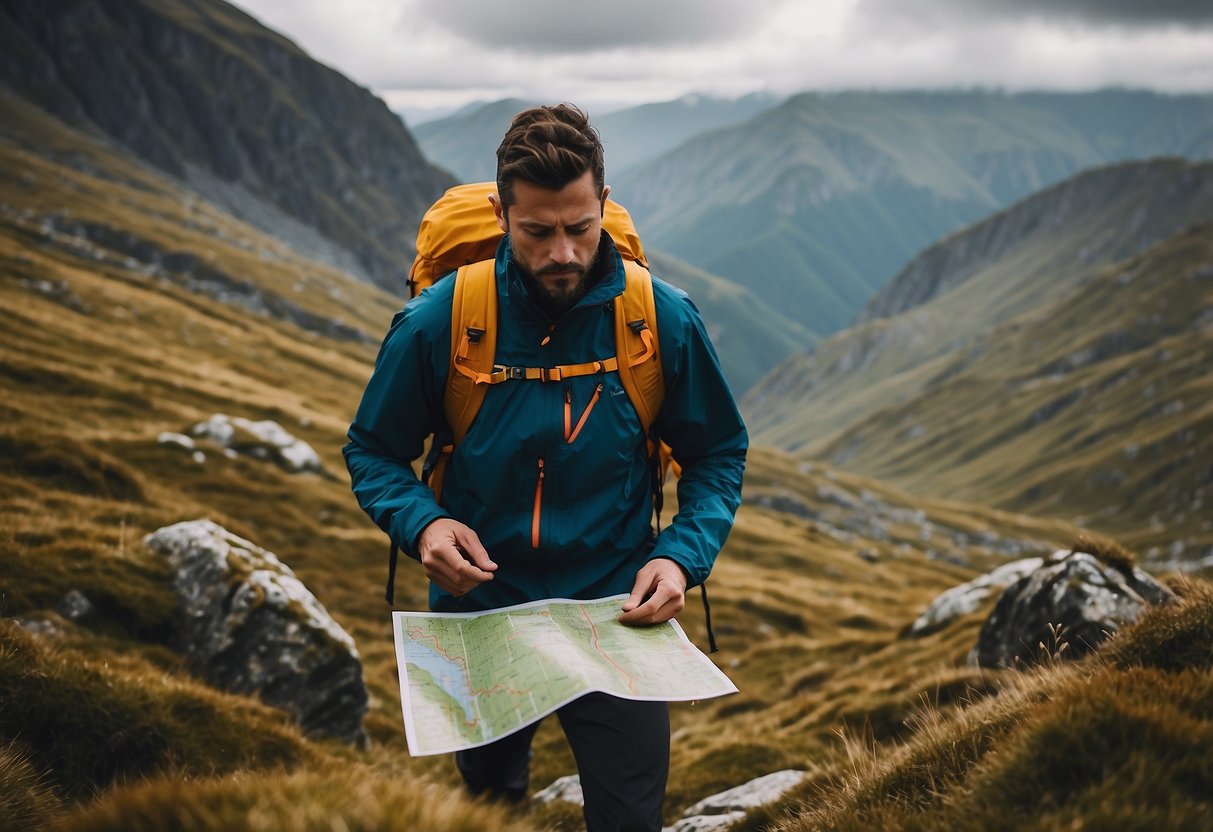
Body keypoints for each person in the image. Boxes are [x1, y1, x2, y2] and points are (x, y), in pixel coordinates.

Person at [344, 103, 747, 832]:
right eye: (537, 232)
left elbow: (717, 452)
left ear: (603, 201)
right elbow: (372, 450)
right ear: (501, 214)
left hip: (616, 611)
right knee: (488, 803)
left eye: (579, 228)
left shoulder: (661, 320)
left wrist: (681, 559)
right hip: (482, 614)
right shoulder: (438, 321)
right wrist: (424, 526)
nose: (562, 252)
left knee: (628, 819)